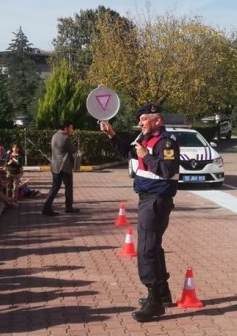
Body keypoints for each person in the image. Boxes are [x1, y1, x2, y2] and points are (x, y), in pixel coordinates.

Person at [100, 103, 179, 323]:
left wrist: (146, 156)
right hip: (148, 200)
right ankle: (162, 294)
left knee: (146, 250)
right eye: (140, 119)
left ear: (157, 120)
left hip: (156, 201)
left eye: (144, 119)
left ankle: (154, 301)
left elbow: (167, 170)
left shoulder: (166, 142)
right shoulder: (146, 139)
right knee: (154, 247)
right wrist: (112, 134)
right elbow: (128, 151)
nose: (140, 123)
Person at [42, 121, 79, 216]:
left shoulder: (55, 135)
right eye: (71, 127)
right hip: (64, 166)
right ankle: (68, 208)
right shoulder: (65, 138)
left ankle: (46, 207)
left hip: (55, 166)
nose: (72, 130)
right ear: (66, 128)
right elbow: (74, 150)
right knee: (68, 188)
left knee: (55, 187)